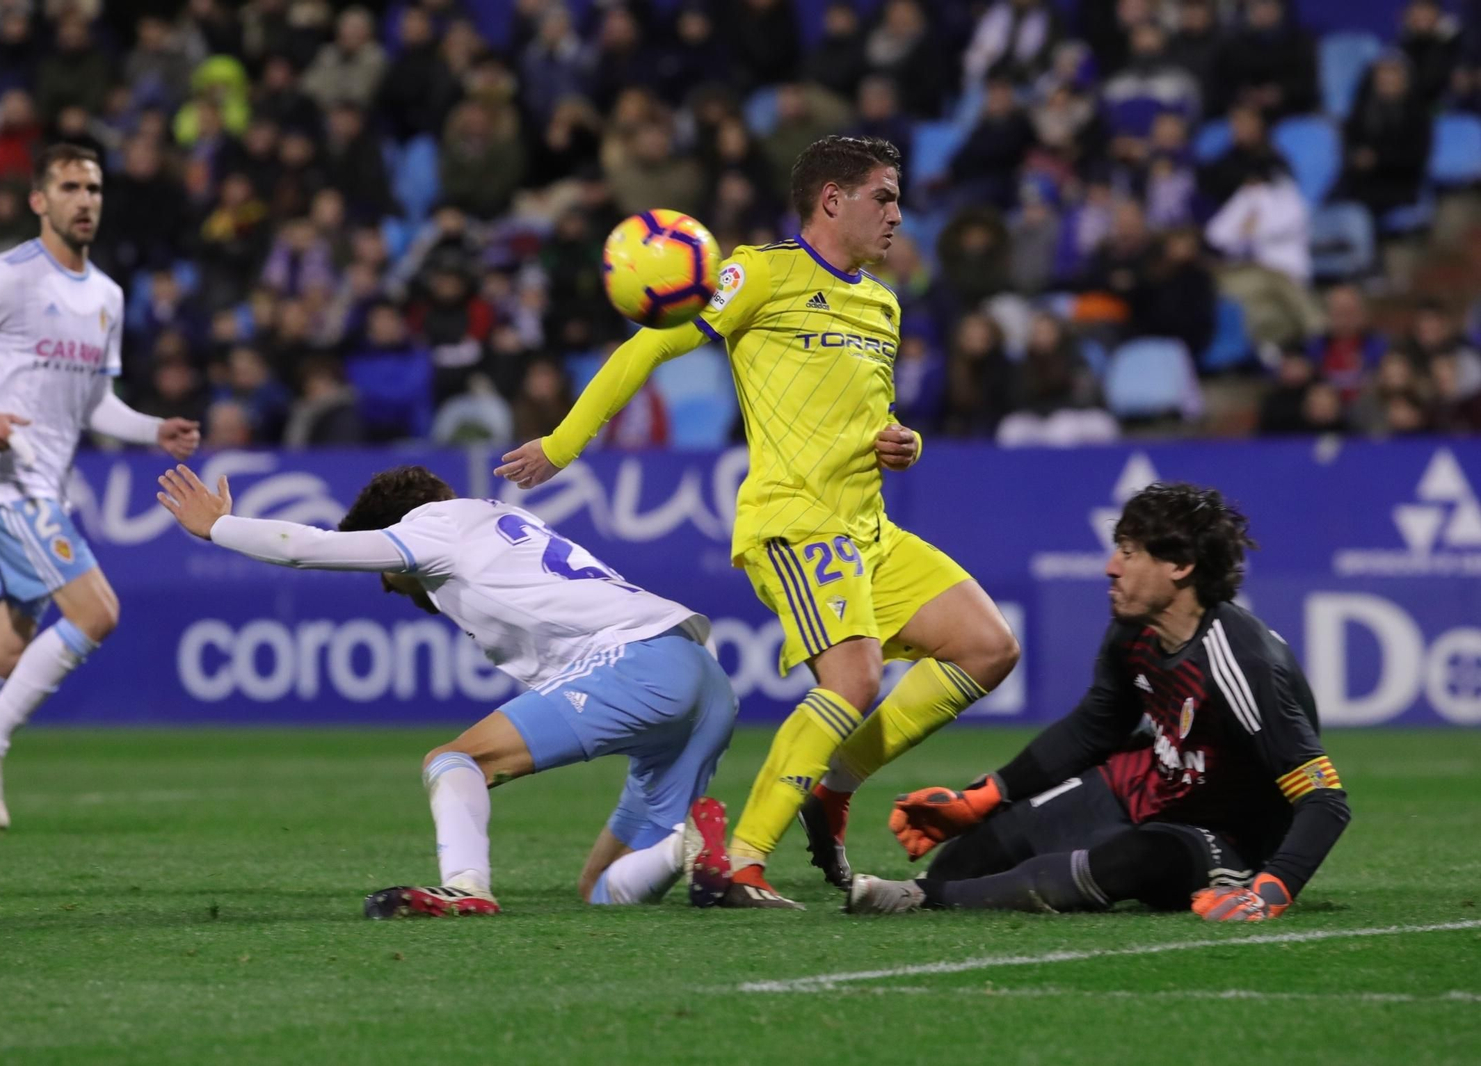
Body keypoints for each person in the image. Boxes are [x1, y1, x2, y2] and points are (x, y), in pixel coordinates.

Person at [497, 135, 1021, 908]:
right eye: (884, 196)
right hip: (797, 522)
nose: (898, 216)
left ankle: (831, 783)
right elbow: (646, 349)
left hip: (868, 526)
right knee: (853, 677)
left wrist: (900, 440)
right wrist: (562, 444)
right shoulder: (761, 273)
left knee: (988, 647)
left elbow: (869, 418)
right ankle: (735, 863)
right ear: (833, 199)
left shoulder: (882, 302)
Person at [155, 464, 737, 916]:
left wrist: (218, 527)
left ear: (394, 531)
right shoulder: (499, 520)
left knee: (454, 759)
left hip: (639, 663)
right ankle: (686, 848)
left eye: (384, 567)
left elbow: (309, 548)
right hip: (701, 673)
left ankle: (465, 888)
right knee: (599, 890)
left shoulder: (431, 527)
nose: (386, 586)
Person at [0, 144, 200, 838]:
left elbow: (94, 405)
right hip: (6, 485)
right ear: (39, 200)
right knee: (97, 612)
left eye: (93, 187)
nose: (85, 199)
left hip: (43, 488)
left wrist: (153, 430)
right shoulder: (9, 276)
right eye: (69, 186)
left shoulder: (107, 296)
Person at [848, 483, 1351, 922]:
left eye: (1129, 553)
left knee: (1132, 860)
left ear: (1180, 565)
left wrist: (1272, 889)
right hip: (1152, 781)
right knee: (976, 850)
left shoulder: (1242, 661)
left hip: (1225, 833)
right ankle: (937, 887)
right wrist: (985, 795)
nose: (1111, 568)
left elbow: (1325, 800)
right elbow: (1095, 727)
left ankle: (919, 897)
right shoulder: (1133, 631)